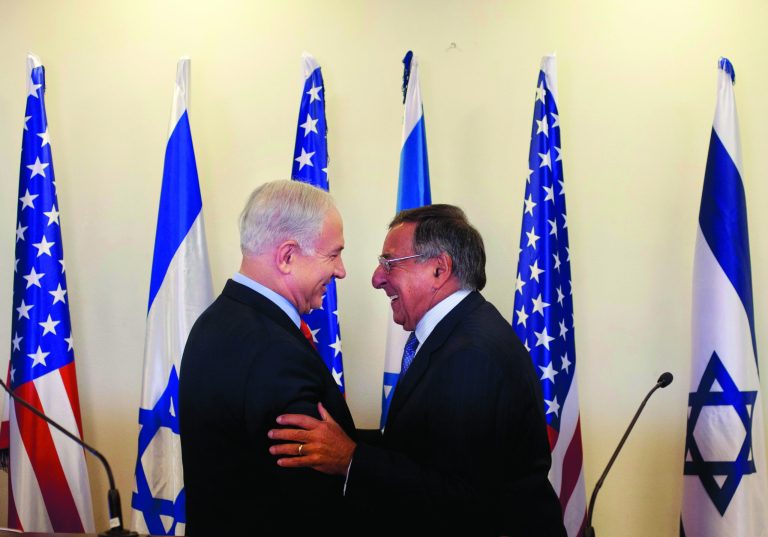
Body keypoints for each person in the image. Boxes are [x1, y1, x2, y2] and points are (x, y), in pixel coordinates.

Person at [269, 204, 566, 536]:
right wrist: (339, 436)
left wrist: (351, 458)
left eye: (389, 263)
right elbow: (420, 447)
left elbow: (461, 499)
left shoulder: (472, 353)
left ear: (439, 270)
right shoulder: (458, 331)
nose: (376, 278)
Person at [179, 180, 357, 535]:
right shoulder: (275, 352)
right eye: (333, 254)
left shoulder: (215, 321)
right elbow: (313, 498)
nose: (341, 270)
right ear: (287, 256)